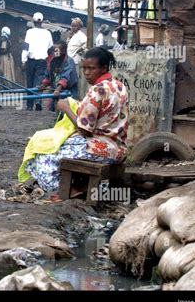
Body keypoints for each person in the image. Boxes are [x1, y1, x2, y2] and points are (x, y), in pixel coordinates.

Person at [19, 47, 129, 194]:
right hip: (119, 148)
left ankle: (64, 190)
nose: (87, 73)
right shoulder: (119, 86)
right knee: (54, 145)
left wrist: (66, 108)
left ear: (104, 68)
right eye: (84, 68)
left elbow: (83, 130)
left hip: (101, 148)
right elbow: (104, 114)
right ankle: (80, 183)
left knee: (43, 153)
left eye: (91, 68)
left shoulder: (97, 90)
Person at [22, 12, 53, 111]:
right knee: (39, 82)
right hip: (42, 61)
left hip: (31, 60)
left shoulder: (29, 32)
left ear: (33, 22)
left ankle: (29, 104)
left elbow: (26, 47)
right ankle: (38, 101)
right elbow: (50, 48)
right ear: (42, 21)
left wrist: (23, 60)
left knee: (30, 83)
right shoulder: (47, 33)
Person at [40, 41, 79, 111]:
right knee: (56, 110)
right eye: (54, 50)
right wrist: (44, 84)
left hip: (68, 92)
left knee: (67, 111)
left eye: (57, 50)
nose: (55, 52)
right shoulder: (53, 61)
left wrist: (58, 89)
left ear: (63, 51)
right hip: (55, 91)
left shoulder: (69, 61)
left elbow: (66, 78)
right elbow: (49, 75)